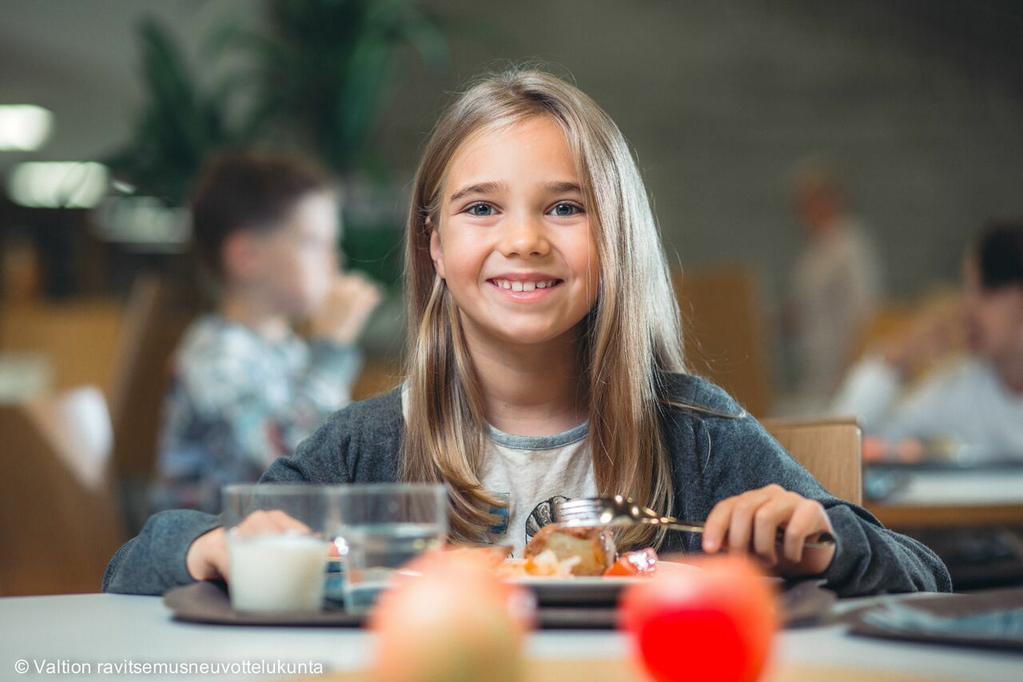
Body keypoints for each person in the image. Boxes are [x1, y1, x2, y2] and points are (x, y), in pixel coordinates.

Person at [106, 69, 949, 598]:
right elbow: (139, 561)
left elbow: (920, 574)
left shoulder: (697, 433)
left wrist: (822, 541)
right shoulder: (369, 446)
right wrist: (223, 541)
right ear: (434, 246)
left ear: (613, 237)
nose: (524, 240)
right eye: (481, 209)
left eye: (565, 207)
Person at [150, 152, 382, 513]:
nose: (334, 262)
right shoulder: (213, 356)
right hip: (210, 556)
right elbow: (286, 467)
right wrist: (331, 353)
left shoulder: (288, 350)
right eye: (313, 243)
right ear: (246, 257)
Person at [832, 221, 1023, 462]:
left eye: (983, 289)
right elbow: (839, 445)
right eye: (968, 290)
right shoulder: (964, 386)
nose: (967, 307)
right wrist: (898, 360)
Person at [785, 159, 883, 407]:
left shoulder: (849, 245)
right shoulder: (814, 251)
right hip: (816, 374)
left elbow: (863, 310)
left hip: (842, 376)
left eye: (810, 200)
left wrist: (851, 370)